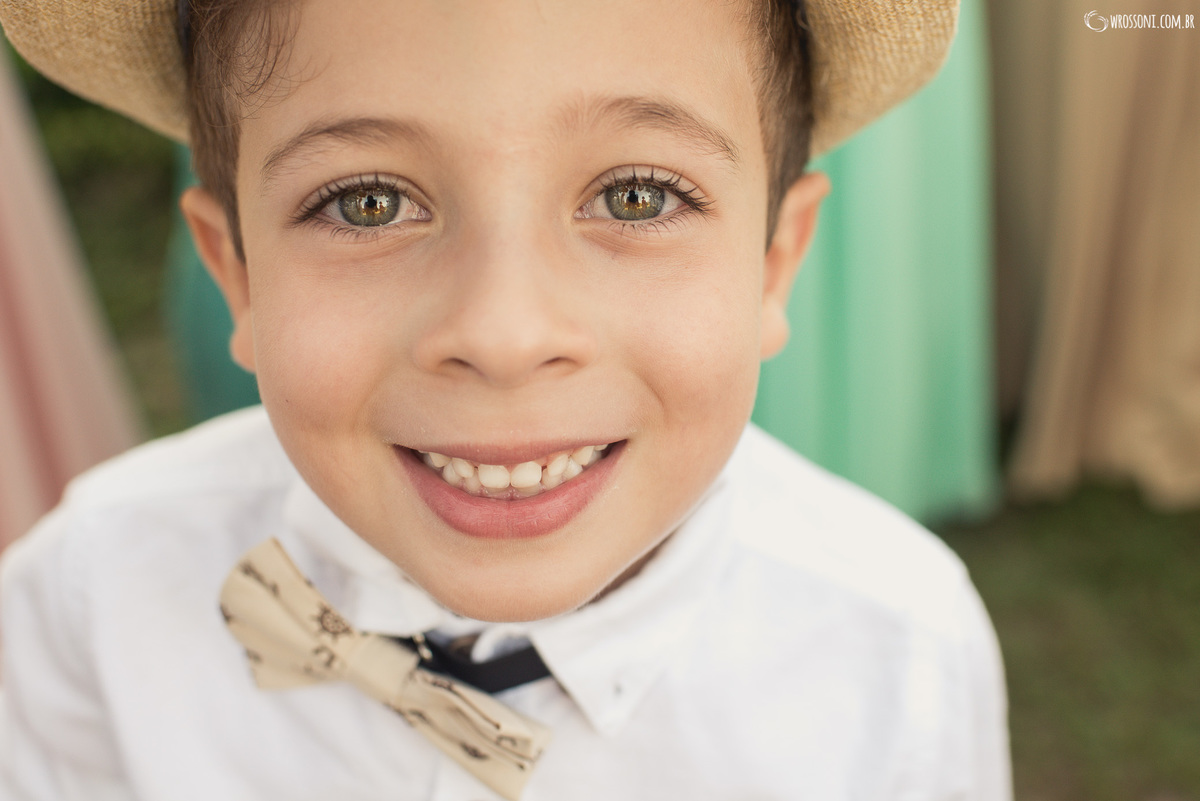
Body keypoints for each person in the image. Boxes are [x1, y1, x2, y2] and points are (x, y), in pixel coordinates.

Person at [0, 1, 1011, 799]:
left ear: (772, 263)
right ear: (239, 274)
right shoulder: (81, 606)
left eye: (636, 195)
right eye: (368, 203)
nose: (503, 333)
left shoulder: (901, 650)